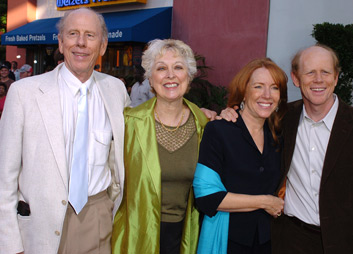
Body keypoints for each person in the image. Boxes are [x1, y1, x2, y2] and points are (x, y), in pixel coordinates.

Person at [221, 44, 353, 254]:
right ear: (296, 78)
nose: (318, 79)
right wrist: (227, 113)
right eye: (310, 72)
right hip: (288, 240)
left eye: (325, 72)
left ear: (336, 78)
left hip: (342, 243)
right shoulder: (281, 118)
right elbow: (249, 117)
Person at [0, 7, 130, 254]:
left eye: (90, 36)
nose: (81, 43)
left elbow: (141, 129)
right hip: (39, 224)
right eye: (73, 34)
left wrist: (204, 114)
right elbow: (4, 175)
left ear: (102, 46)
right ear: (60, 42)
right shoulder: (24, 93)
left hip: (98, 218)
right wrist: (9, 243)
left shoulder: (116, 91)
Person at [112, 39, 209, 254]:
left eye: (178, 67)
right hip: (136, 235)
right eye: (161, 68)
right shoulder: (129, 123)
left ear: (189, 76)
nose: (170, 75)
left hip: (187, 236)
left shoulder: (204, 125)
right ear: (150, 77)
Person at [193, 58, 286, 254]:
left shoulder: (278, 136)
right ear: (244, 91)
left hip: (268, 241)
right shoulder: (218, 130)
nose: (267, 95)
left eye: (274, 88)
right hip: (228, 241)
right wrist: (264, 201)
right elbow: (207, 197)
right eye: (258, 86)